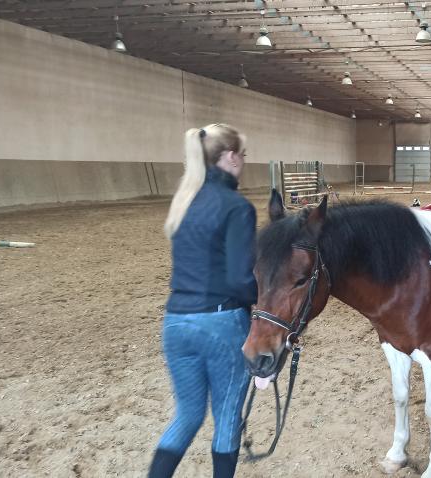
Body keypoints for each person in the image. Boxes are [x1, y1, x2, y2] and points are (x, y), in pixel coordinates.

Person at [148, 123, 258, 478]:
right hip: (221, 322)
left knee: (187, 416)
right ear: (231, 157)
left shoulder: (184, 201)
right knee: (226, 419)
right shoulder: (237, 207)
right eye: (243, 154)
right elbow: (240, 279)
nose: (243, 161)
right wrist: (262, 301)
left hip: (176, 321)